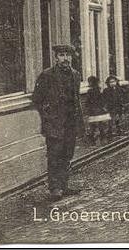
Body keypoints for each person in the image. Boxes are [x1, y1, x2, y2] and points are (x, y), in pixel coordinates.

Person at [32, 44, 83, 201]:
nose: (65, 58)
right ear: (56, 58)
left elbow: (76, 99)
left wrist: (80, 123)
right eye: (62, 55)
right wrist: (47, 117)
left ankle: (64, 185)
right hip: (54, 124)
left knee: (67, 154)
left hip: (70, 123)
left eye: (68, 55)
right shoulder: (47, 75)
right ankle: (55, 188)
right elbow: (36, 99)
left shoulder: (75, 75)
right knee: (54, 155)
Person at [85, 76, 111, 145]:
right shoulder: (100, 90)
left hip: (93, 110)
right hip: (100, 109)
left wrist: (88, 108)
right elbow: (102, 99)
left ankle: (94, 141)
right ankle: (103, 139)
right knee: (101, 125)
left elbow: (88, 102)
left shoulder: (89, 91)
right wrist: (103, 107)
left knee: (93, 126)